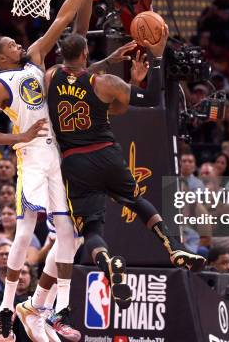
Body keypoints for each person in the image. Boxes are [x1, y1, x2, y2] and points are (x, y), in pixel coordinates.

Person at [0, 0, 116, 342]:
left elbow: (65, 18)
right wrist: (18, 137)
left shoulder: (36, 58)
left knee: (69, 235)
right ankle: (6, 308)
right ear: (0, 57)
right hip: (31, 157)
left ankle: (58, 311)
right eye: (9, 44)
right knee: (24, 233)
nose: (17, 44)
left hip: (57, 154)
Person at [45, 24, 205, 303]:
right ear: (86, 52)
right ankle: (174, 247)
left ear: (61, 55)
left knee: (91, 230)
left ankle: (107, 262)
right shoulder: (105, 83)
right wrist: (155, 60)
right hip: (106, 154)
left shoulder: (50, 77)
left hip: (74, 162)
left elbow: (74, 72)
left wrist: (107, 60)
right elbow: (150, 98)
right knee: (137, 202)